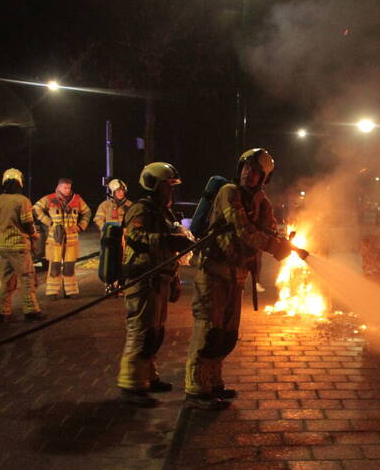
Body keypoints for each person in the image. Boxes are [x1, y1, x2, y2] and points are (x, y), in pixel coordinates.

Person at [185, 148, 293, 410]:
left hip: (236, 275)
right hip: (212, 272)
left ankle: (213, 381)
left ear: (263, 177)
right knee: (209, 330)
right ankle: (197, 389)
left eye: (254, 171)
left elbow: (268, 227)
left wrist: (283, 241)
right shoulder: (228, 193)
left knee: (226, 333)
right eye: (245, 167)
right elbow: (243, 230)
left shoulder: (261, 201)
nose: (248, 173)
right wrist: (274, 247)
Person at [118, 162, 194, 407]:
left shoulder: (163, 211)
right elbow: (135, 237)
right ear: (154, 184)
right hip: (142, 279)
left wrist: (173, 278)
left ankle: (147, 377)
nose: (170, 191)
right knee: (141, 331)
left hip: (158, 277)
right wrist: (168, 239)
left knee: (155, 331)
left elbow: (168, 248)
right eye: (167, 186)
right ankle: (131, 386)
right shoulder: (141, 209)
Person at [0, 168, 45, 322]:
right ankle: (31, 311)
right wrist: (34, 235)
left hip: (3, 246)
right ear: (19, 182)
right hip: (19, 246)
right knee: (27, 279)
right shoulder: (22, 201)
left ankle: (3, 312)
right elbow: (27, 222)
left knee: (6, 280)